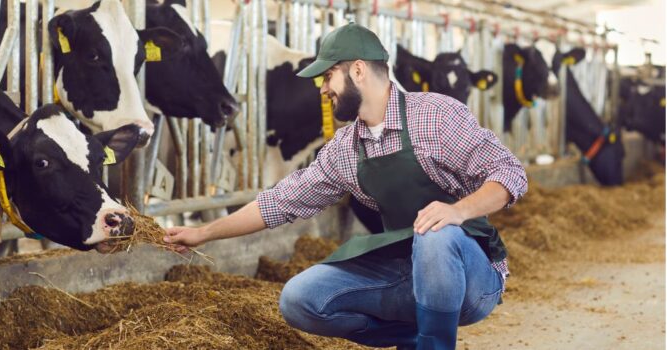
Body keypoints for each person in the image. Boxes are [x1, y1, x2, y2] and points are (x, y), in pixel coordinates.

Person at [163, 22, 528, 350]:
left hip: (473, 278)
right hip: (406, 270)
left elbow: (510, 173)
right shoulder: (344, 148)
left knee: (436, 233)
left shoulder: (434, 115)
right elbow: (279, 202)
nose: (323, 90)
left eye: (328, 77)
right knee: (300, 298)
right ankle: (414, 338)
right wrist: (203, 233)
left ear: (357, 70)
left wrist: (457, 211)